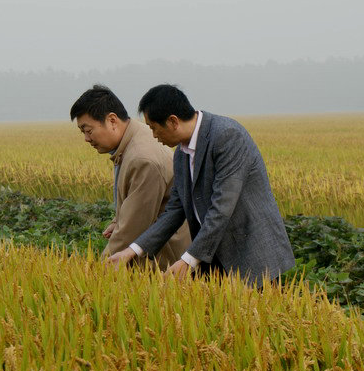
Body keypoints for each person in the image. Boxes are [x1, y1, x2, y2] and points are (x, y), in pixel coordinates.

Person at [107, 84, 294, 286]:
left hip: (251, 254)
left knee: (259, 306)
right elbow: (174, 211)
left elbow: (222, 208)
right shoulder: (181, 154)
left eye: (154, 128)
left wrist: (188, 260)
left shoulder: (227, 136)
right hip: (212, 256)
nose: (153, 135)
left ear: (173, 121)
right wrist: (132, 251)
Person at [70, 85, 190, 270]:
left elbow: (131, 231)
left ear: (112, 120)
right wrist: (117, 220)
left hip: (166, 263)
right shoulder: (132, 141)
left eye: (88, 130)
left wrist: (98, 272)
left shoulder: (142, 159)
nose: (86, 138)